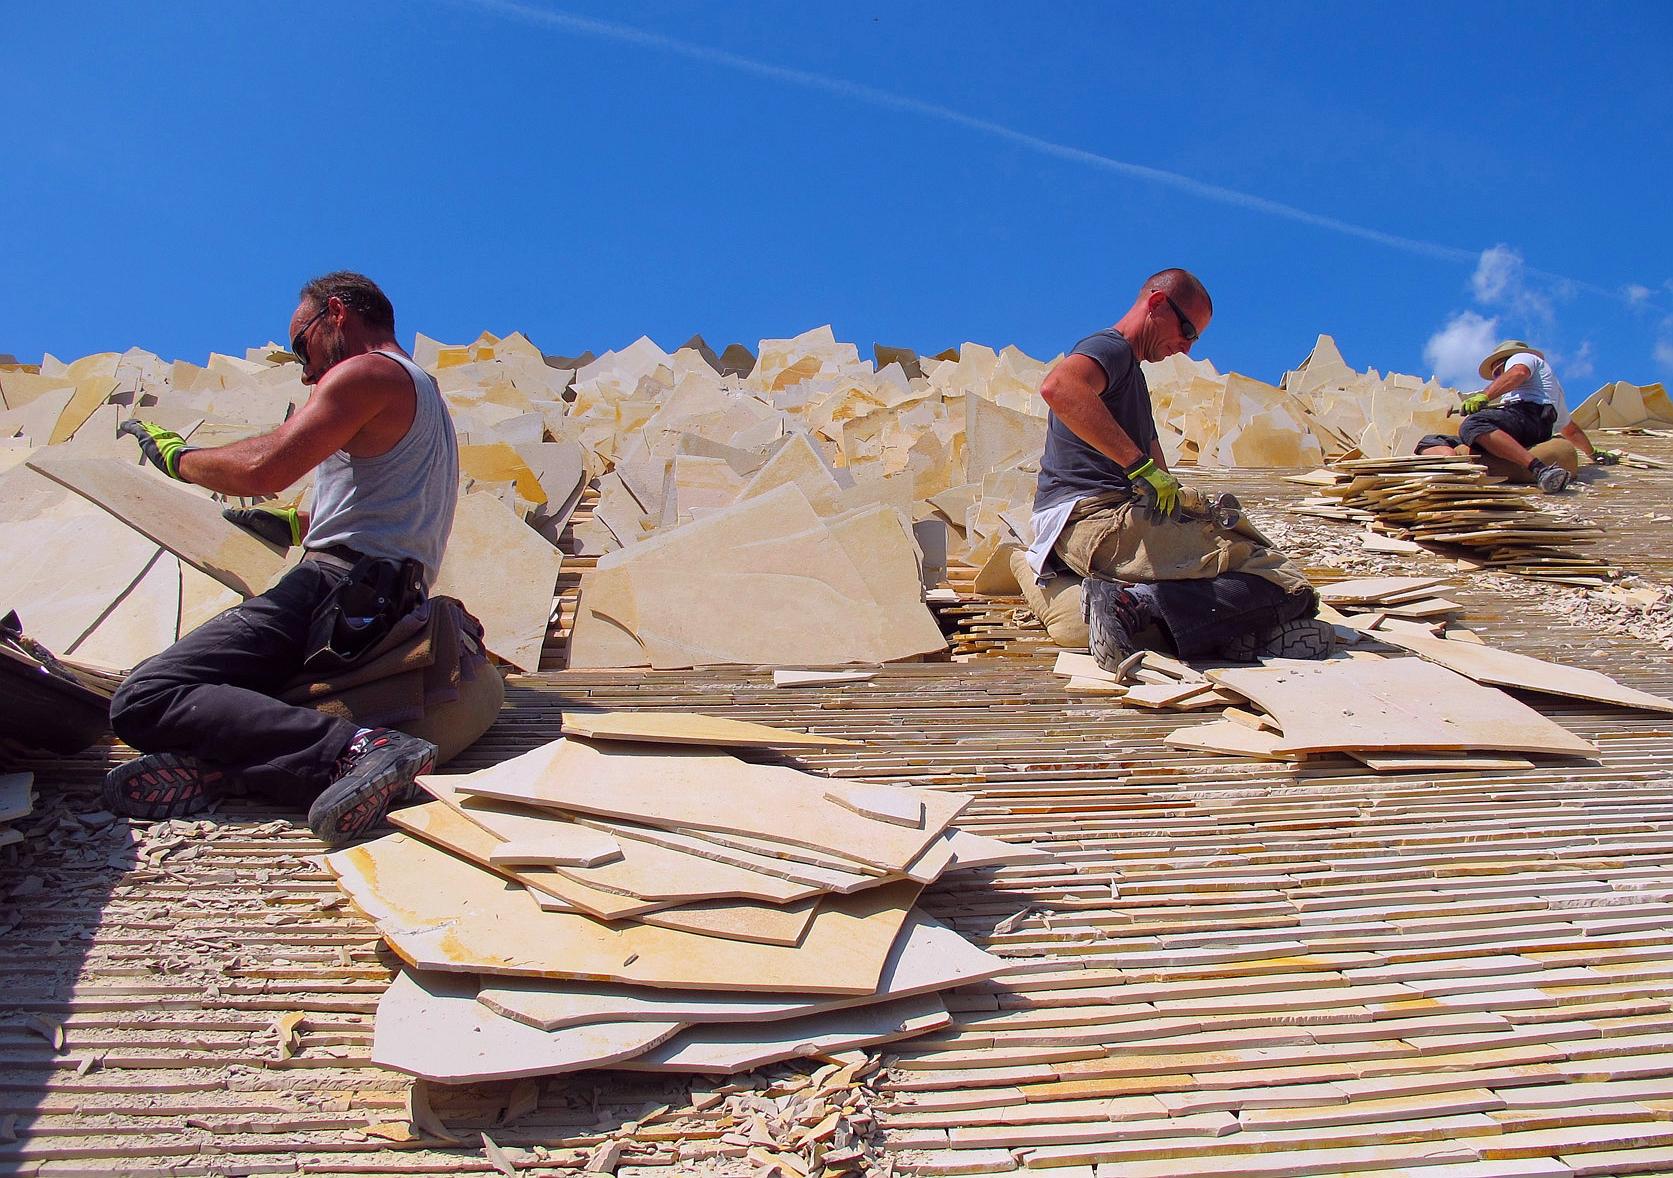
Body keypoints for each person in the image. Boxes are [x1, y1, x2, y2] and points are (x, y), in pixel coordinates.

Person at [104, 272, 461, 845]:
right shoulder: (427, 398)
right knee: (235, 697)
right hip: (386, 593)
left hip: (338, 584)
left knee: (145, 697)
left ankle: (364, 749)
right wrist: (296, 522)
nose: (305, 368)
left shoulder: (367, 372)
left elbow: (263, 468)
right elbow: (388, 503)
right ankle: (233, 773)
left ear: (338, 314)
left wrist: (178, 458)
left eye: (302, 345)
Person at [1024, 268, 1328, 671]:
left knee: (1246, 559)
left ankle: (1234, 631)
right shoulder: (1110, 347)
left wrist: (1182, 504)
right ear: (1155, 304)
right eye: (1186, 330)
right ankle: (1135, 604)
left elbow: (1161, 474)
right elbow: (1059, 388)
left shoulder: (1133, 381)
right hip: (1095, 521)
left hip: (1108, 521)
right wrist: (1137, 467)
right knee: (1288, 586)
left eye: (1194, 339)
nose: (1185, 348)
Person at [1416, 339, 1619, 489]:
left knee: (1473, 424)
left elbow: (1518, 373)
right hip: (1522, 423)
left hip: (1531, 417)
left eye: (1499, 372)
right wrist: (1593, 453)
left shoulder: (1523, 358)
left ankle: (1540, 470)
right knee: (1429, 442)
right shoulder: (1550, 392)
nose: (1498, 376)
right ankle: (1455, 472)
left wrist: (1484, 397)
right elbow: (1570, 429)